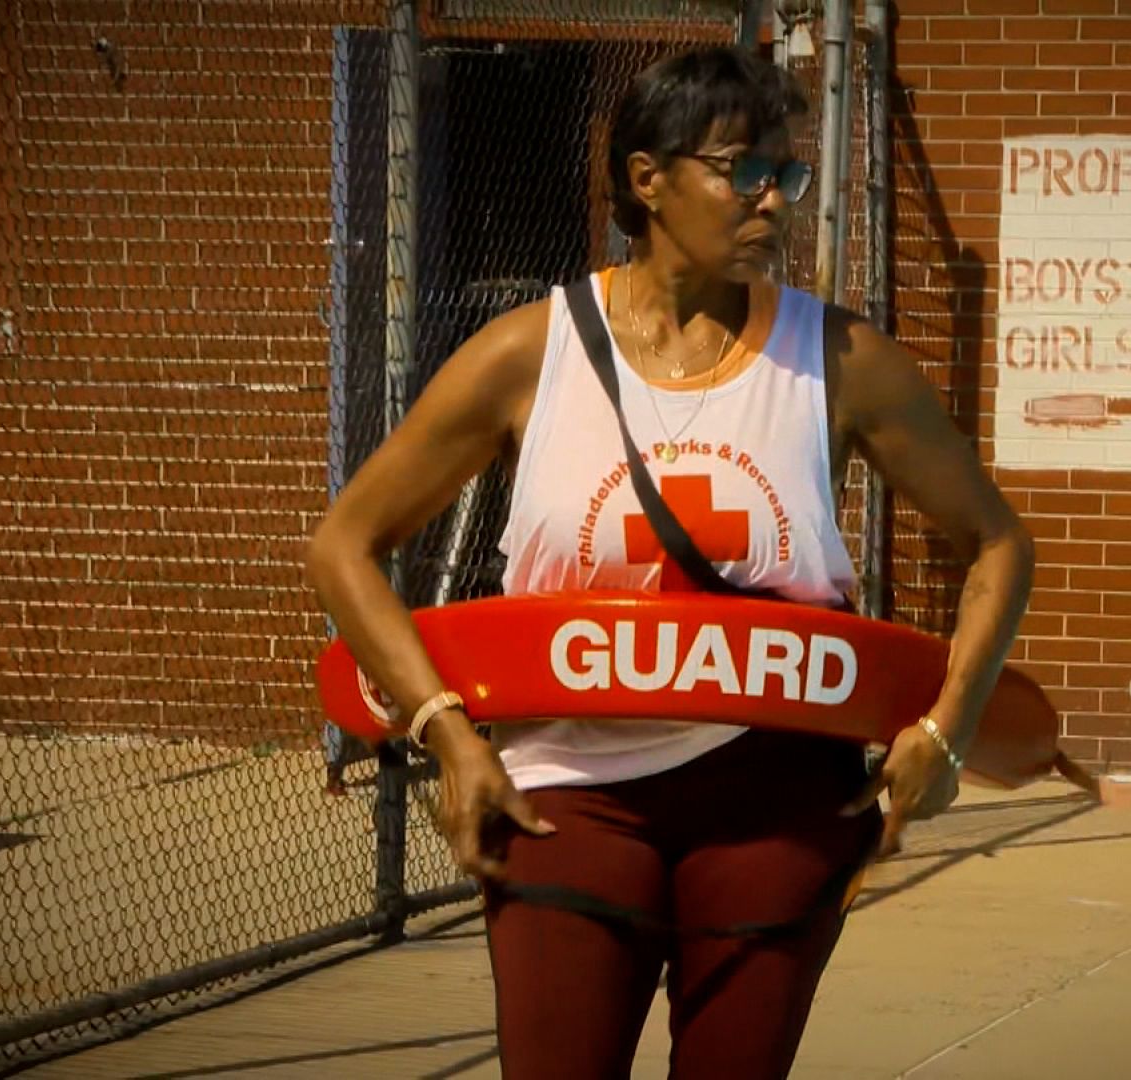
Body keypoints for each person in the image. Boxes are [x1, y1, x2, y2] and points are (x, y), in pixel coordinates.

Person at [303, 46, 1034, 1079]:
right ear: (647, 179)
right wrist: (445, 730)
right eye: (742, 172)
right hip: (565, 789)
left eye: (786, 175)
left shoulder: (841, 361)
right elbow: (343, 544)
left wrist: (947, 732)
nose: (772, 202)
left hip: (779, 794)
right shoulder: (532, 353)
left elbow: (998, 540)